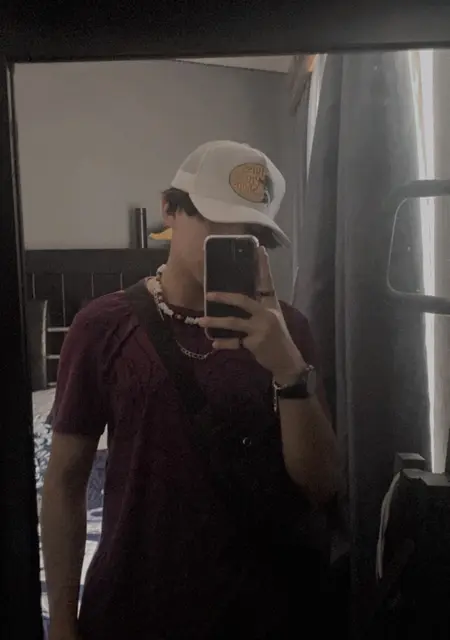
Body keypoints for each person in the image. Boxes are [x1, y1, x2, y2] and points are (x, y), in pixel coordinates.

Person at [41, 140, 340, 640]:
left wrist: (288, 367)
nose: (234, 239)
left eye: (251, 233)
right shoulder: (100, 326)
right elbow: (66, 482)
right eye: (218, 221)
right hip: (135, 607)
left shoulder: (288, 331)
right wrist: (63, 626)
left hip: (265, 611)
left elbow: (322, 484)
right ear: (169, 209)